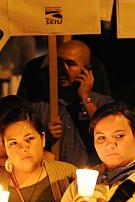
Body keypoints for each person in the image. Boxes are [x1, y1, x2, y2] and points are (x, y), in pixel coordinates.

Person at [32, 39, 113, 167]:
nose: (62, 70)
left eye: (70, 64)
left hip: (93, 176)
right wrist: (45, 137)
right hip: (55, 178)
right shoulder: (40, 106)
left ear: (86, 70)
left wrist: (85, 97)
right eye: (58, 63)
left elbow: (109, 131)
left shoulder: (102, 102)